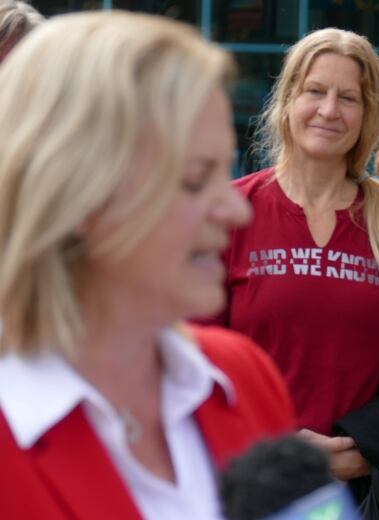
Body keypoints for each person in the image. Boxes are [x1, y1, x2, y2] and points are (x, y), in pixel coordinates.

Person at [0, 12, 295, 519]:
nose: (234, 209)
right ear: (76, 198)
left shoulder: (242, 378)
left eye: (225, 170)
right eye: (194, 177)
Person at [207, 28, 379, 517]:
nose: (329, 110)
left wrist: (365, 451)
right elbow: (194, 366)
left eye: (349, 98)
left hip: (352, 492)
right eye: (315, 91)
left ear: (367, 116)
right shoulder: (230, 212)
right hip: (243, 479)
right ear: (287, 100)